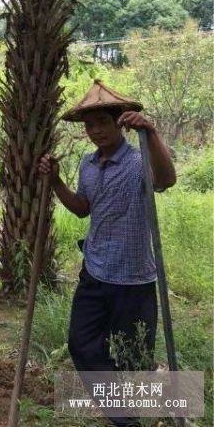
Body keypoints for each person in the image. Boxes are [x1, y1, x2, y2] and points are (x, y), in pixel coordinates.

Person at [39, 79, 176, 427]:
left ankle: (139, 404)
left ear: (120, 122)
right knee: (82, 344)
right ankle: (125, 417)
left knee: (135, 359)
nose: (96, 131)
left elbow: (167, 178)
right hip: (96, 272)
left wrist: (152, 134)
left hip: (134, 279)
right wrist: (56, 181)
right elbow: (83, 208)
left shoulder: (138, 160)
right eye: (89, 125)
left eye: (102, 122)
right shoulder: (87, 165)